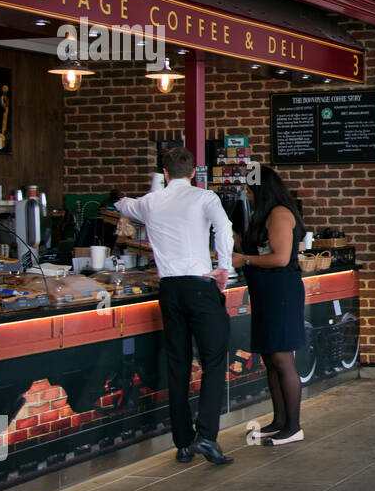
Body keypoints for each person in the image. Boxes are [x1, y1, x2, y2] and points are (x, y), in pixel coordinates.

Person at [115, 147, 235, 466]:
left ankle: (182, 443)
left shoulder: (150, 202)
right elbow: (224, 229)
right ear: (193, 173)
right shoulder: (205, 198)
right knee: (213, 359)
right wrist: (224, 266)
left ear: (165, 173)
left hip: (169, 290)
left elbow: (122, 205)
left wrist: (115, 197)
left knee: (177, 364)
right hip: (200, 286)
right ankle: (206, 436)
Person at [231, 166, 306, 445]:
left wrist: (244, 260)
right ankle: (279, 421)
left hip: (281, 293)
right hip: (266, 294)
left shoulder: (280, 215)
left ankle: (293, 426)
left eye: (250, 190)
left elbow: (281, 258)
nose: (248, 196)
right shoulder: (262, 218)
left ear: (262, 191)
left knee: (282, 357)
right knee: (269, 359)